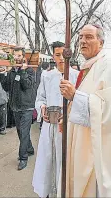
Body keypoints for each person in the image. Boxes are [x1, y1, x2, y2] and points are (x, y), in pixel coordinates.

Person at [58, 24, 111, 197]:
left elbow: (110, 113)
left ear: (101, 42)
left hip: (98, 149)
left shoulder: (110, 68)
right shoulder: (88, 67)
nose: (83, 41)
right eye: (80, 37)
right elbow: (88, 98)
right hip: (80, 140)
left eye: (89, 37)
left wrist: (74, 96)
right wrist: (68, 117)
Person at [32, 41, 79, 198]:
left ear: (69, 55)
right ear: (53, 56)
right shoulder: (47, 76)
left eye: (63, 55)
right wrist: (43, 108)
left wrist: (68, 113)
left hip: (69, 125)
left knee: (65, 159)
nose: (60, 58)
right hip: (49, 126)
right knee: (48, 158)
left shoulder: (76, 76)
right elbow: (40, 98)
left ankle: (64, 191)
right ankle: (47, 190)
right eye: (57, 55)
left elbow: (79, 99)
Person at [0, 48, 36, 170]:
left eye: (19, 55)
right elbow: (6, 87)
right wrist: (3, 73)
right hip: (15, 107)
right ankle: (29, 149)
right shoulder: (11, 72)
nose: (16, 57)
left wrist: (23, 72)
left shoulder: (30, 70)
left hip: (27, 107)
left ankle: (23, 158)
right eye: (15, 55)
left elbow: (27, 86)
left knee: (24, 132)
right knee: (21, 132)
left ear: (23, 57)